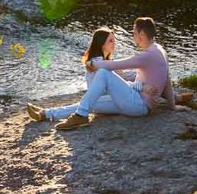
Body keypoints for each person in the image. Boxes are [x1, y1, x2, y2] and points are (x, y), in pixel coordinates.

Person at [26, 17, 184, 131]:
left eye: (134, 33)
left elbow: (116, 66)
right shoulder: (159, 50)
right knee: (88, 103)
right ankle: (45, 114)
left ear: (142, 34)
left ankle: (80, 116)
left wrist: (93, 64)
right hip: (132, 102)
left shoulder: (147, 55)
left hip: (137, 105)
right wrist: (172, 104)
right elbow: (166, 79)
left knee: (103, 73)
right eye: (111, 41)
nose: (133, 36)